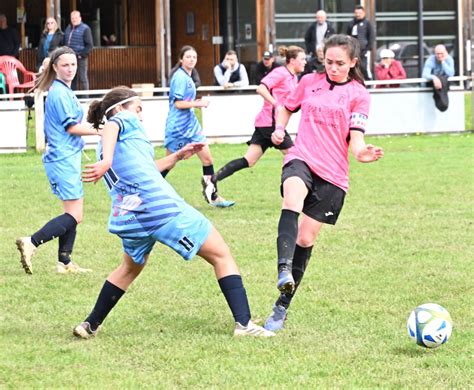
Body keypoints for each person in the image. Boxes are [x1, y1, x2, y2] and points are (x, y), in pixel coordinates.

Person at [73, 86, 275, 339]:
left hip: (129, 217)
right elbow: (114, 123)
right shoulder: (120, 122)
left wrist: (178, 156)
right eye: (139, 109)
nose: (141, 116)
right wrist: (108, 160)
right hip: (159, 209)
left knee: (128, 269)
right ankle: (244, 325)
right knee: (221, 254)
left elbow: (148, 168)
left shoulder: (106, 146)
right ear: (122, 108)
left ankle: (89, 324)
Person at [263, 35, 384, 332]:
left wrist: (362, 153)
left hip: (333, 174)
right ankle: (283, 270)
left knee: (305, 239)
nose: (333, 68)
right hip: (301, 156)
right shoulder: (309, 82)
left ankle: (282, 306)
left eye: (340, 63)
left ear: (353, 62)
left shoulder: (359, 94)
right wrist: (280, 128)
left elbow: (356, 139)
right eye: (328, 62)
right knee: (291, 197)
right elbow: (287, 107)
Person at [15, 46, 99, 275]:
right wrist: (101, 130)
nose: (70, 69)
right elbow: (71, 127)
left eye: (73, 64)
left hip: (67, 157)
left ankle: (65, 263)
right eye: (65, 65)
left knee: (73, 213)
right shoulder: (60, 93)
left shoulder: (63, 90)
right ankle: (31, 241)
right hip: (61, 158)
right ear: (55, 67)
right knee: (75, 215)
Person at [209, 46, 306, 200]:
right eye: (302, 59)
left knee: (249, 160)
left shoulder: (294, 77)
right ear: (292, 61)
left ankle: (212, 180)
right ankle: (292, 194)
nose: (305, 62)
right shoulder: (280, 73)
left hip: (265, 124)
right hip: (271, 124)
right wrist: (276, 104)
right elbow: (261, 88)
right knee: (293, 156)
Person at [164, 45, 233, 207]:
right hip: (178, 128)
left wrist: (196, 103)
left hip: (191, 126)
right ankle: (145, 193)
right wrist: (199, 103)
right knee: (169, 163)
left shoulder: (189, 77)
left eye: (194, 57)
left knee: (208, 159)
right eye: (188, 57)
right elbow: (179, 104)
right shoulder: (179, 78)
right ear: (181, 59)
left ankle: (213, 197)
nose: (191, 60)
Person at [64, 10, 93, 91]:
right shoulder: (68, 28)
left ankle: (86, 98)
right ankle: (72, 97)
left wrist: (81, 55)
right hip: (69, 58)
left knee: (83, 77)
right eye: (72, 18)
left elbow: (89, 45)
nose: (74, 20)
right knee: (72, 78)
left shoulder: (85, 28)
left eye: (76, 18)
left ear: (80, 18)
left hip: (80, 58)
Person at [346, 5, 375, 81]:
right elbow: (348, 36)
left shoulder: (367, 23)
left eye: (360, 13)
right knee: (354, 67)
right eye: (356, 13)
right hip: (354, 50)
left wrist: (368, 49)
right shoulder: (351, 23)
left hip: (364, 50)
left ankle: (370, 83)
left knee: (365, 67)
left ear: (364, 13)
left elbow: (371, 37)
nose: (358, 14)